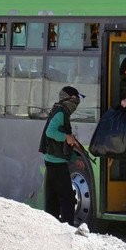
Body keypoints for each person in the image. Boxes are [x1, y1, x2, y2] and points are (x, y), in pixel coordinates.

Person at [39, 86, 85, 225]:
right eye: (75, 99)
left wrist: (74, 158)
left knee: (53, 197)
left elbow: (63, 146)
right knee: (67, 197)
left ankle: (52, 225)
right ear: (68, 98)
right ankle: (68, 227)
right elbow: (50, 132)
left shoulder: (60, 111)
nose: (77, 103)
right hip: (55, 162)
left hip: (53, 159)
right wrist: (66, 137)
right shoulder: (61, 113)